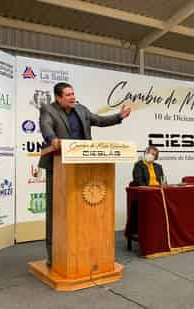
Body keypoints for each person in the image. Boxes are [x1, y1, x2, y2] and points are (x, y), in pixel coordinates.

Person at [38, 82, 131, 267]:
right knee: (55, 212)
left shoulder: (81, 109)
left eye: (73, 94)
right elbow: (46, 126)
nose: (72, 97)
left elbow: (100, 120)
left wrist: (119, 116)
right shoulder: (48, 109)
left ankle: (83, 252)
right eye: (68, 95)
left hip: (84, 165)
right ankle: (53, 255)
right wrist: (53, 139)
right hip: (58, 165)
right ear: (58, 97)